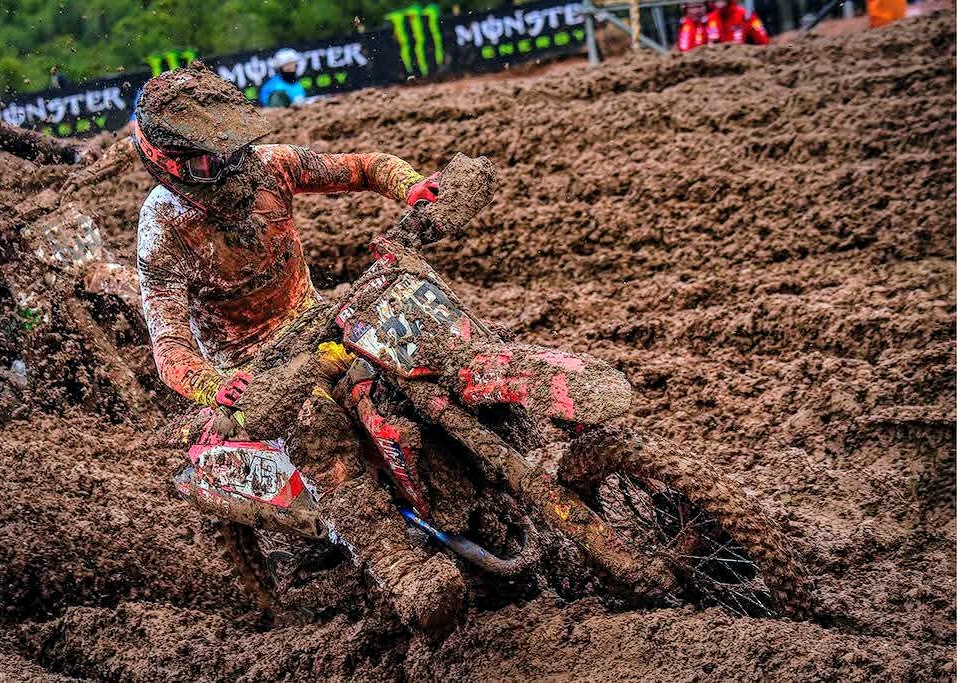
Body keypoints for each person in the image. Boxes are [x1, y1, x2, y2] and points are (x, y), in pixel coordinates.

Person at [132, 60, 460, 630]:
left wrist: (411, 185)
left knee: (422, 344)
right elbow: (170, 348)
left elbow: (364, 166)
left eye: (231, 148)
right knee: (318, 426)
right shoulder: (163, 229)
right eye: (210, 160)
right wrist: (214, 385)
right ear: (170, 164)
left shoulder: (269, 166)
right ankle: (395, 559)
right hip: (255, 366)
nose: (228, 165)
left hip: (318, 319)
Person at [705, 0, 770, 46]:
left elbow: (764, 42)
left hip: (742, 58)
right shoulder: (710, 18)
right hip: (718, 59)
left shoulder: (746, 15)